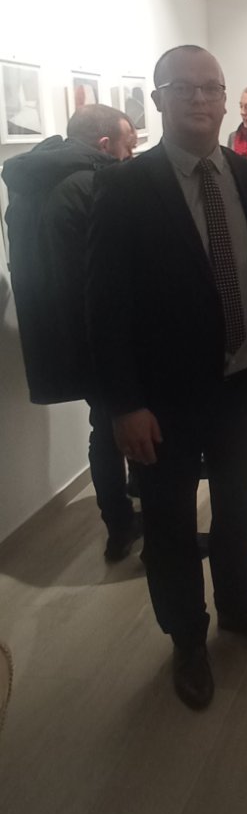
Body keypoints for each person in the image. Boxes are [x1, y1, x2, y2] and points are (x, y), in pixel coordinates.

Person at [87, 44, 247, 710]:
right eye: (185, 88)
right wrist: (123, 405)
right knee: (171, 522)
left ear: (227, 98)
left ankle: (239, 606)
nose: (201, 99)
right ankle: (186, 639)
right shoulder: (124, 188)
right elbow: (104, 307)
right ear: (158, 100)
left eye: (212, 87)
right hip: (163, 400)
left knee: (238, 505)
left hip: (241, 383)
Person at [2, 104, 141, 561]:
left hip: (56, 331)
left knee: (105, 424)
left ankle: (122, 516)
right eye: (128, 147)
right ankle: (127, 526)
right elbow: (113, 270)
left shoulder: (29, 183)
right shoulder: (94, 184)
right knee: (120, 423)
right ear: (104, 144)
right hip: (98, 330)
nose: (131, 156)